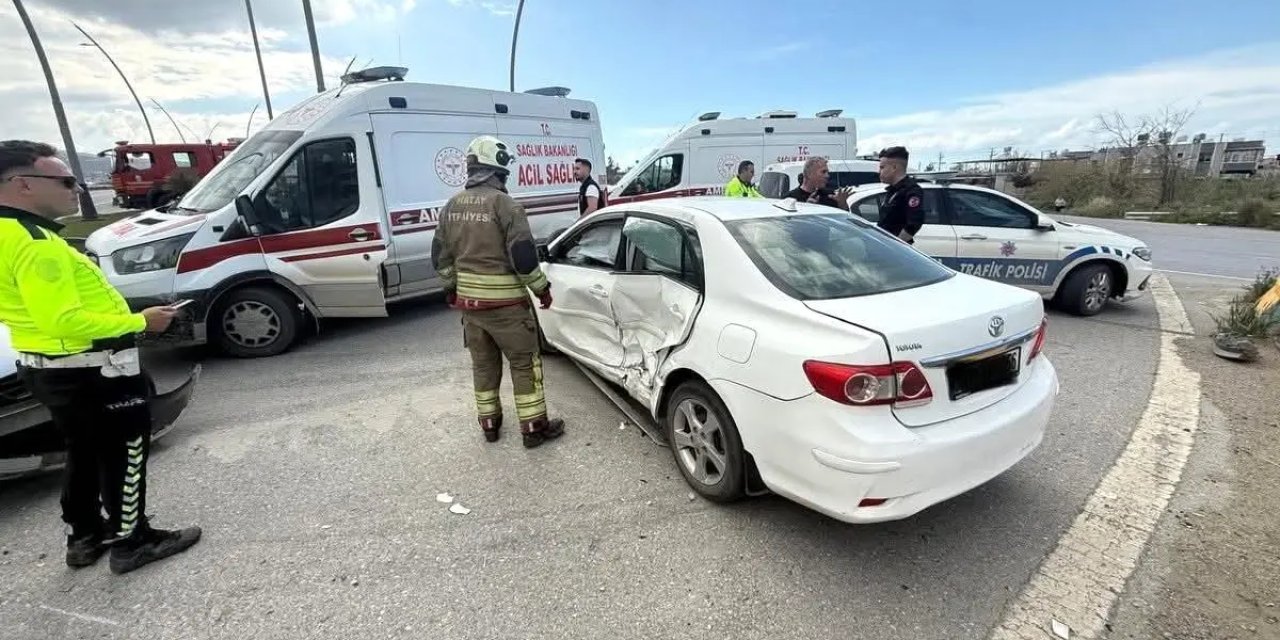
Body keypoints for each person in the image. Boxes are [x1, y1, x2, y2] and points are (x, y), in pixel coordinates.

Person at [0, 140, 201, 574]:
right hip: (92, 370)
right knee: (126, 451)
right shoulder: (37, 245)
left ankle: (85, 536)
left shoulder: (7, 234)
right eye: (65, 180)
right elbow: (63, 319)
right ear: (22, 185)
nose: (77, 189)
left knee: (84, 451)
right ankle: (134, 541)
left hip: (45, 366)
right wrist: (140, 322)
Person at [432, 135, 566, 448]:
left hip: (471, 309)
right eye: (504, 175)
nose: (506, 180)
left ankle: (490, 426)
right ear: (496, 171)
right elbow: (522, 256)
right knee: (523, 364)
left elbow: (439, 254)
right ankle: (534, 430)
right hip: (507, 308)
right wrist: (542, 289)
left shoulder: (451, 206)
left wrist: (451, 290)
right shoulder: (506, 205)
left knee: (483, 366)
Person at [874, 146, 926, 244]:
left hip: (894, 251)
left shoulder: (911, 191)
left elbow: (913, 224)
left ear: (894, 168)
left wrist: (895, 245)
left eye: (882, 167)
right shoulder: (892, 190)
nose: (879, 172)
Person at [782, 157, 848, 209]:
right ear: (809, 174)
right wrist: (806, 209)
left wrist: (842, 205)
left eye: (827, 172)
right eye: (823, 172)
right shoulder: (789, 198)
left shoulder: (830, 196)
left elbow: (840, 223)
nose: (827, 176)